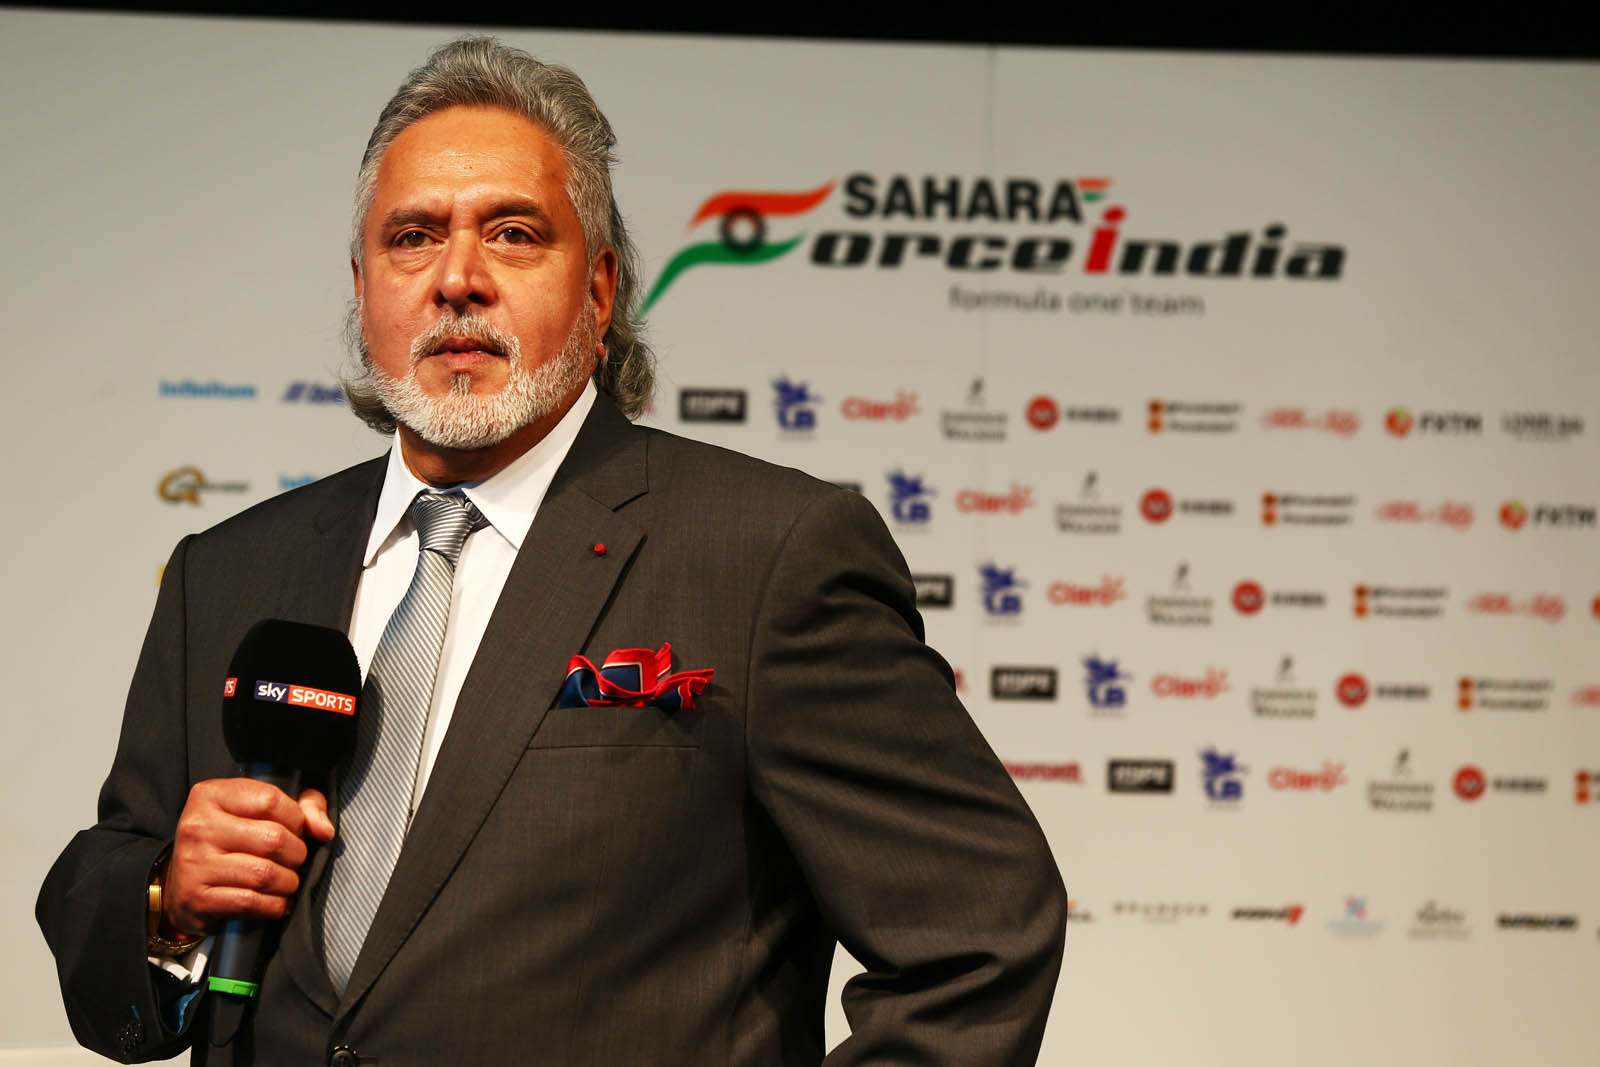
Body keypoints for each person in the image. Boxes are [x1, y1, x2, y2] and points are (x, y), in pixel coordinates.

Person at [38, 36, 1066, 1066]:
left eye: (514, 233)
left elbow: (980, 934)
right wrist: (166, 897)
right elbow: (107, 916)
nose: (457, 280)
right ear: (362, 285)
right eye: (411, 238)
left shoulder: (767, 555)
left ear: (601, 286)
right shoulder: (227, 572)